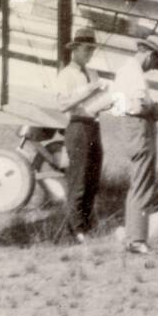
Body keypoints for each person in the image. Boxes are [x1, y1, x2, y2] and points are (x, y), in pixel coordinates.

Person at [112, 32, 158, 254]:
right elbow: (137, 106)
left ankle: (133, 236)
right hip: (140, 130)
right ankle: (137, 240)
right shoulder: (135, 73)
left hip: (131, 130)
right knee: (143, 184)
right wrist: (154, 109)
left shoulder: (124, 70)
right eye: (155, 61)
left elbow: (120, 106)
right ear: (148, 53)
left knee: (138, 182)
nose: (153, 66)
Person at [54, 30, 108, 243]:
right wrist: (88, 92)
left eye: (92, 50)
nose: (90, 54)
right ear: (75, 49)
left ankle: (86, 225)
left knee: (93, 179)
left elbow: (95, 101)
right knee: (79, 179)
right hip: (77, 127)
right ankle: (76, 229)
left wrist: (107, 99)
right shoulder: (66, 75)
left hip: (93, 125)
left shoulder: (92, 73)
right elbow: (62, 104)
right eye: (87, 50)